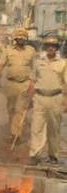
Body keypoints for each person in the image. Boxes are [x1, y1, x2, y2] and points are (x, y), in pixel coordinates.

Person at [0, 28, 36, 142]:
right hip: (11, 84)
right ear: (15, 39)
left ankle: (16, 134)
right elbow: (1, 65)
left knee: (20, 110)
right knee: (11, 109)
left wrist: (33, 83)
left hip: (25, 84)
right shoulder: (8, 50)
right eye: (19, 37)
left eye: (23, 37)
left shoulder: (31, 51)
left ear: (26, 39)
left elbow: (34, 68)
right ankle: (14, 129)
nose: (21, 39)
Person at [28, 35, 65, 165]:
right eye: (48, 45)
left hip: (56, 98)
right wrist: (29, 98)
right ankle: (35, 155)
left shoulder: (63, 63)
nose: (51, 48)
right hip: (39, 98)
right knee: (36, 128)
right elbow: (32, 80)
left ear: (56, 48)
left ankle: (53, 155)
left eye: (53, 46)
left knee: (53, 129)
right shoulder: (38, 61)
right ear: (45, 47)